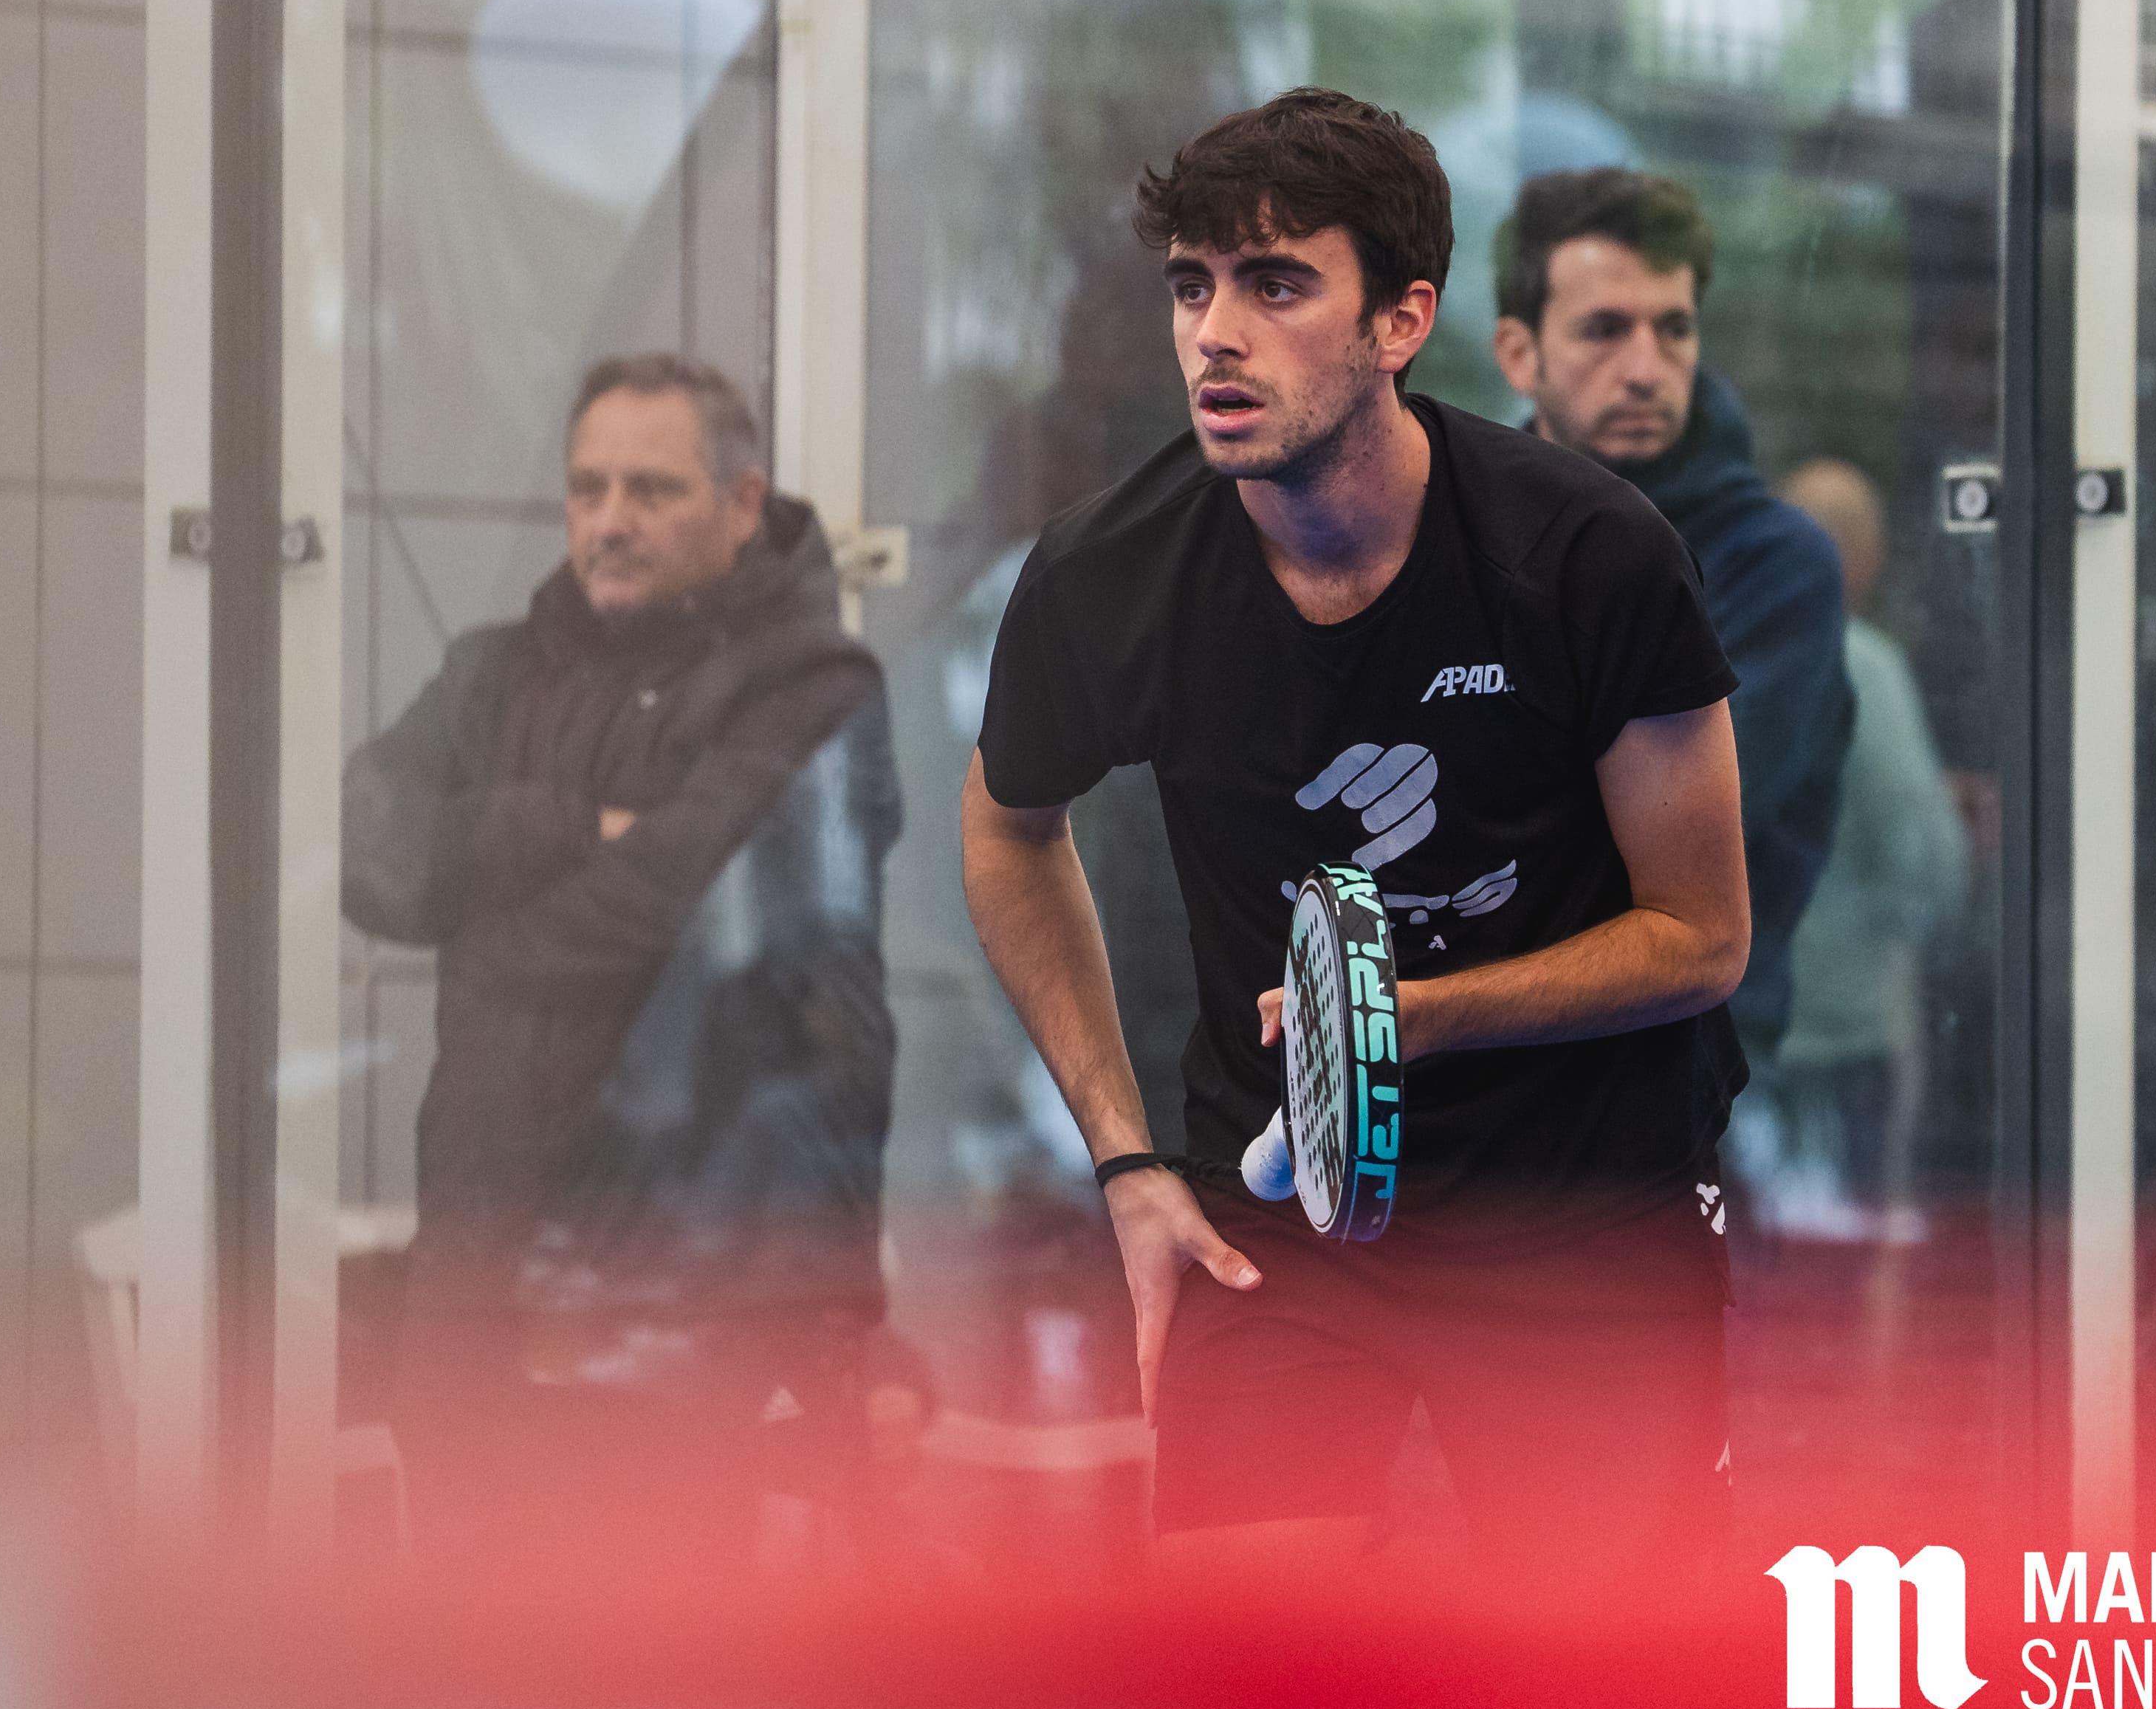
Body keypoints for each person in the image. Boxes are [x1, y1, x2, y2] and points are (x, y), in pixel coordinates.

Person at [958, 88, 1754, 1587]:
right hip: (1283, 1212)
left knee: (1605, 1680)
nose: (1213, 333)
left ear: (1400, 320)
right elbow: (1008, 827)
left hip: (1579, 1208)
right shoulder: (1104, 577)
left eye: (1273, 285)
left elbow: (1702, 936)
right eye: (1190, 286)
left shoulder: (1587, 556)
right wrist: (1126, 1162)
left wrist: (1405, 1016)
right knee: (1247, 1667)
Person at [342, 354, 902, 1565]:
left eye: (650, 489)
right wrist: (557, 825)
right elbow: (366, 852)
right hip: (476, 1277)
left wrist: (482, 917)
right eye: (586, 487)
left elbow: (686, 903)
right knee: (459, 1649)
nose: (608, 519)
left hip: (690, 1295)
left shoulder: (815, 686)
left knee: (657, 1652)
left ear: (742, 504)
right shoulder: (492, 672)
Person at [1490, 169, 1852, 1071]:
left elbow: (1650, 843)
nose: (1645, 369)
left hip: (1689, 1071)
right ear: (1519, 355)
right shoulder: (1456, 531)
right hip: (1469, 1054)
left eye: (1673, 328)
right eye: (1603, 330)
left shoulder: (1774, 565)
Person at [1747, 458, 1971, 1239]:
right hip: (1842, 1034)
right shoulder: (1862, 668)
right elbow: (1923, 859)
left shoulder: (1714, 652)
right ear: (1864, 558)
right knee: (1845, 1269)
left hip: (1735, 1027)